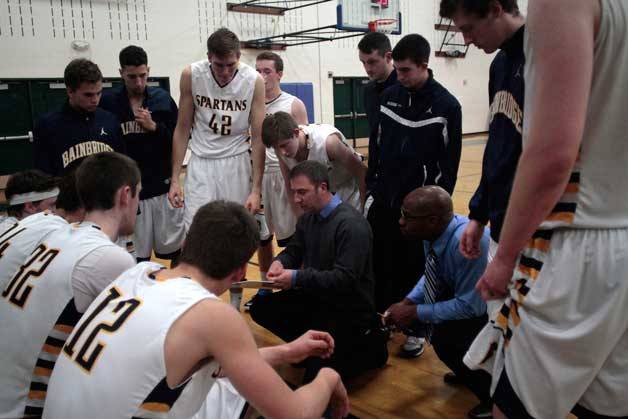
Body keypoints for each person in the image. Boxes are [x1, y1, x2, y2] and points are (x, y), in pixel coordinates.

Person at [43, 200, 350, 419]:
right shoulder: (210, 315)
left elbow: (219, 365)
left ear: (188, 240)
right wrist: (328, 378)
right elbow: (293, 414)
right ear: (240, 272)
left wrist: (287, 352)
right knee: (237, 397)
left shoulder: (137, 274)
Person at [473, 1, 628, 418]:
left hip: (577, 240)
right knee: (606, 406)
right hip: (617, 235)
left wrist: (505, 257)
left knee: (513, 406)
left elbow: (552, 153)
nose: (466, 39)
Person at [0, 152, 138, 418]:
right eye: (138, 195)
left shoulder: (53, 230)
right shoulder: (107, 258)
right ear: (125, 194)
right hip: (20, 408)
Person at [250, 161, 388, 383]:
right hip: (318, 299)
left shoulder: (351, 225)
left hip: (349, 309)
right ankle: (312, 348)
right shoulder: (309, 218)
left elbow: (344, 279)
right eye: (294, 192)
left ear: (322, 187)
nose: (296, 199)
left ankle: (371, 345)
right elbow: (294, 251)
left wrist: (296, 277)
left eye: (302, 192)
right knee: (261, 308)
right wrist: (280, 262)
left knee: (315, 380)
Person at [368, 33, 462, 357]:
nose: (401, 75)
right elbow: (376, 147)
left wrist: (434, 207)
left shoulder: (448, 106)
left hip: (418, 212)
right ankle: (383, 321)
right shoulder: (388, 97)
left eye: (407, 70)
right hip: (384, 202)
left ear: (425, 65)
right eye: (398, 68)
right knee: (382, 265)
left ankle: (415, 330)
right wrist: (373, 189)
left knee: (414, 270)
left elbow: (449, 165)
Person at [168, 27, 265, 310]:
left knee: (236, 234)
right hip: (201, 163)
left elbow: (258, 136)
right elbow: (182, 127)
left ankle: (234, 301)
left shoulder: (253, 80)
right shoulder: (191, 75)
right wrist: (175, 178)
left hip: (236, 162)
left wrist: (256, 188)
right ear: (209, 57)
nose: (224, 71)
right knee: (195, 234)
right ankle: (191, 302)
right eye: (218, 64)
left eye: (230, 65)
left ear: (239, 58)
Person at [384, 186, 492, 419]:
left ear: (432, 220)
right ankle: (467, 370)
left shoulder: (468, 245)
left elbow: (471, 307)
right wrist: (410, 300)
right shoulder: (433, 233)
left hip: (492, 306)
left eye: (407, 216)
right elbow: (433, 272)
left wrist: (415, 312)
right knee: (443, 337)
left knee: (449, 341)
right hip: (471, 297)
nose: (401, 221)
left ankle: (492, 399)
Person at [439, 0, 525, 268]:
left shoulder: (545, 56)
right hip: (501, 223)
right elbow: (498, 149)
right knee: (495, 309)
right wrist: (478, 215)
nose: (466, 40)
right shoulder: (499, 64)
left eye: (469, 28)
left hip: (536, 232)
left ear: (496, 9)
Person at [100, 45, 184, 263]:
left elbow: (179, 140)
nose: (138, 82)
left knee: (177, 250)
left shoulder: (162, 99)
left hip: (162, 186)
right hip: (130, 192)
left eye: (142, 75)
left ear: (149, 70)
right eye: (132, 77)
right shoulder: (108, 103)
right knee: (136, 257)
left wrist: (155, 127)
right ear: (121, 74)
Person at [245, 52, 309, 311]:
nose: (261, 76)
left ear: (279, 74)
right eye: (258, 70)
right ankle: (265, 287)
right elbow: (255, 144)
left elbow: (303, 150)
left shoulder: (293, 104)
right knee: (262, 239)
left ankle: (297, 287)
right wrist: (255, 187)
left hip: (286, 178)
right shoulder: (252, 105)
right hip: (258, 175)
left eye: (267, 71)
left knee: (293, 239)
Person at [32, 58, 125, 176]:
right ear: (70, 91)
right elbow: (43, 176)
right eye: (88, 95)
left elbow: (121, 169)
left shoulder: (111, 121)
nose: (95, 100)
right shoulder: (47, 126)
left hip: (106, 193)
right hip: (68, 193)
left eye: (99, 93)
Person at [261, 112, 366, 211]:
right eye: (276, 148)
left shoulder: (329, 143)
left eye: (284, 145)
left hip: (350, 192)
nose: (282, 152)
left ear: (296, 133)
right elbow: (290, 187)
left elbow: (361, 172)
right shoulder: (282, 150)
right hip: (322, 199)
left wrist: (363, 211)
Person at [0, 172, 84, 290]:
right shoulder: (39, 232)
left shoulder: (6, 226)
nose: (57, 211)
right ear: (29, 207)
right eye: (52, 205)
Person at [357, 31, 397, 198]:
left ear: (388, 57)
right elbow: (375, 135)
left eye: (372, 62)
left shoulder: (404, 87)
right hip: (377, 177)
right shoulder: (369, 90)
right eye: (363, 62)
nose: (367, 69)